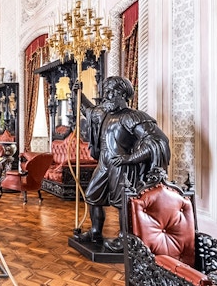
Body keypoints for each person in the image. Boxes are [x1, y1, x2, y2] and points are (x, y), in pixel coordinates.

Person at [73, 76, 171, 252]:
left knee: (123, 204)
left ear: (123, 95)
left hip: (122, 166)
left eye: (112, 92)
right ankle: (95, 232)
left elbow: (156, 140)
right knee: (92, 195)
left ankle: (125, 238)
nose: (107, 96)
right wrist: (78, 93)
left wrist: (131, 158)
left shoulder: (132, 116)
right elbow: (87, 110)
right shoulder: (103, 114)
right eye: (106, 92)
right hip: (104, 164)